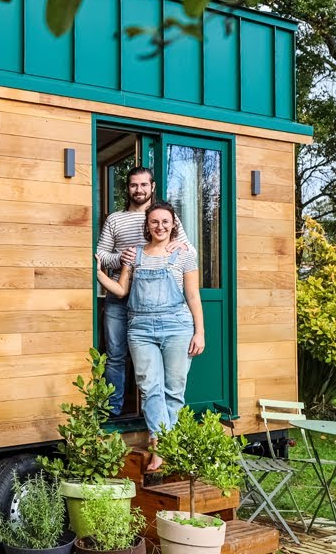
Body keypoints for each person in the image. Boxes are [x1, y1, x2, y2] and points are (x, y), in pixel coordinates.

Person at [95, 202, 206, 471]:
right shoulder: (134, 254)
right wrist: (97, 272)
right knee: (149, 387)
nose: (160, 226)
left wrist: (200, 332)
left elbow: (192, 295)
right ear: (147, 225)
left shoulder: (184, 255)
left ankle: (168, 445)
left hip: (177, 326)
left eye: (165, 222)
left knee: (174, 388)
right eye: (154, 222)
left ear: (173, 225)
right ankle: (160, 445)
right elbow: (121, 291)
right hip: (140, 329)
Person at [95, 167, 188, 416]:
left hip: (158, 300)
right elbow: (101, 254)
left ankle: (154, 419)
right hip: (120, 294)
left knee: (157, 369)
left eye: (144, 185)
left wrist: (180, 245)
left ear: (152, 187)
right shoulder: (115, 219)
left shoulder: (165, 217)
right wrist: (120, 258)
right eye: (134, 185)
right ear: (128, 188)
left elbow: (190, 253)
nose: (139, 190)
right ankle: (113, 410)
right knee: (116, 355)